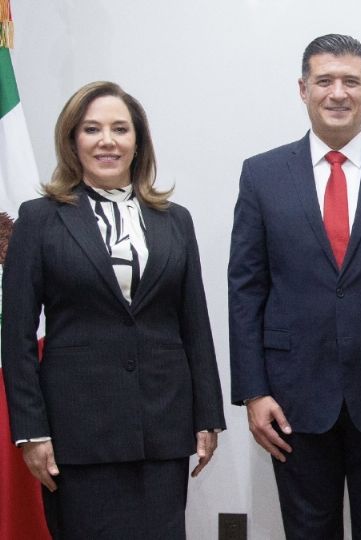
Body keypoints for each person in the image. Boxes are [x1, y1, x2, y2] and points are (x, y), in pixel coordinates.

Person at [228, 34, 361, 539]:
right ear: (303, 89)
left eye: (351, 81)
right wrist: (253, 391)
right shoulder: (263, 175)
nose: (337, 92)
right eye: (324, 81)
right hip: (292, 398)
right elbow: (245, 288)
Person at [1, 81, 225, 539]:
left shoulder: (174, 219)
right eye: (92, 129)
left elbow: (194, 323)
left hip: (162, 428)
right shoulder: (39, 219)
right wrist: (31, 431)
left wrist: (207, 415)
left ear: (137, 142)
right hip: (78, 434)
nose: (108, 140)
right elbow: (17, 336)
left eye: (120, 129)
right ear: (72, 140)